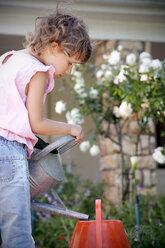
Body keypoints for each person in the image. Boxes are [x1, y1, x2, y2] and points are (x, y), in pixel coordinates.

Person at [0, 7, 92, 248]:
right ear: (54, 45)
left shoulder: (9, 58)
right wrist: (70, 127)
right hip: (8, 153)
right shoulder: (37, 71)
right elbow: (35, 123)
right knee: (17, 234)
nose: (69, 71)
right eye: (70, 62)